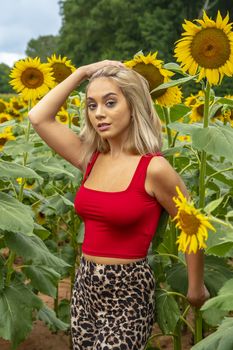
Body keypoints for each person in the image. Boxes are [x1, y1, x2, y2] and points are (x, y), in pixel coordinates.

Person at [28, 60, 209, 350]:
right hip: (86, 284)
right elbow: (39, 117)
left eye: (110, 102)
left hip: (129, 290)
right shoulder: (91, 159)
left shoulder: (154, 169)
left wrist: (195, 286)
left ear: (133, 106)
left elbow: (191, 226)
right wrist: (82, 73)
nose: (99, 113)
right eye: (92, 105)